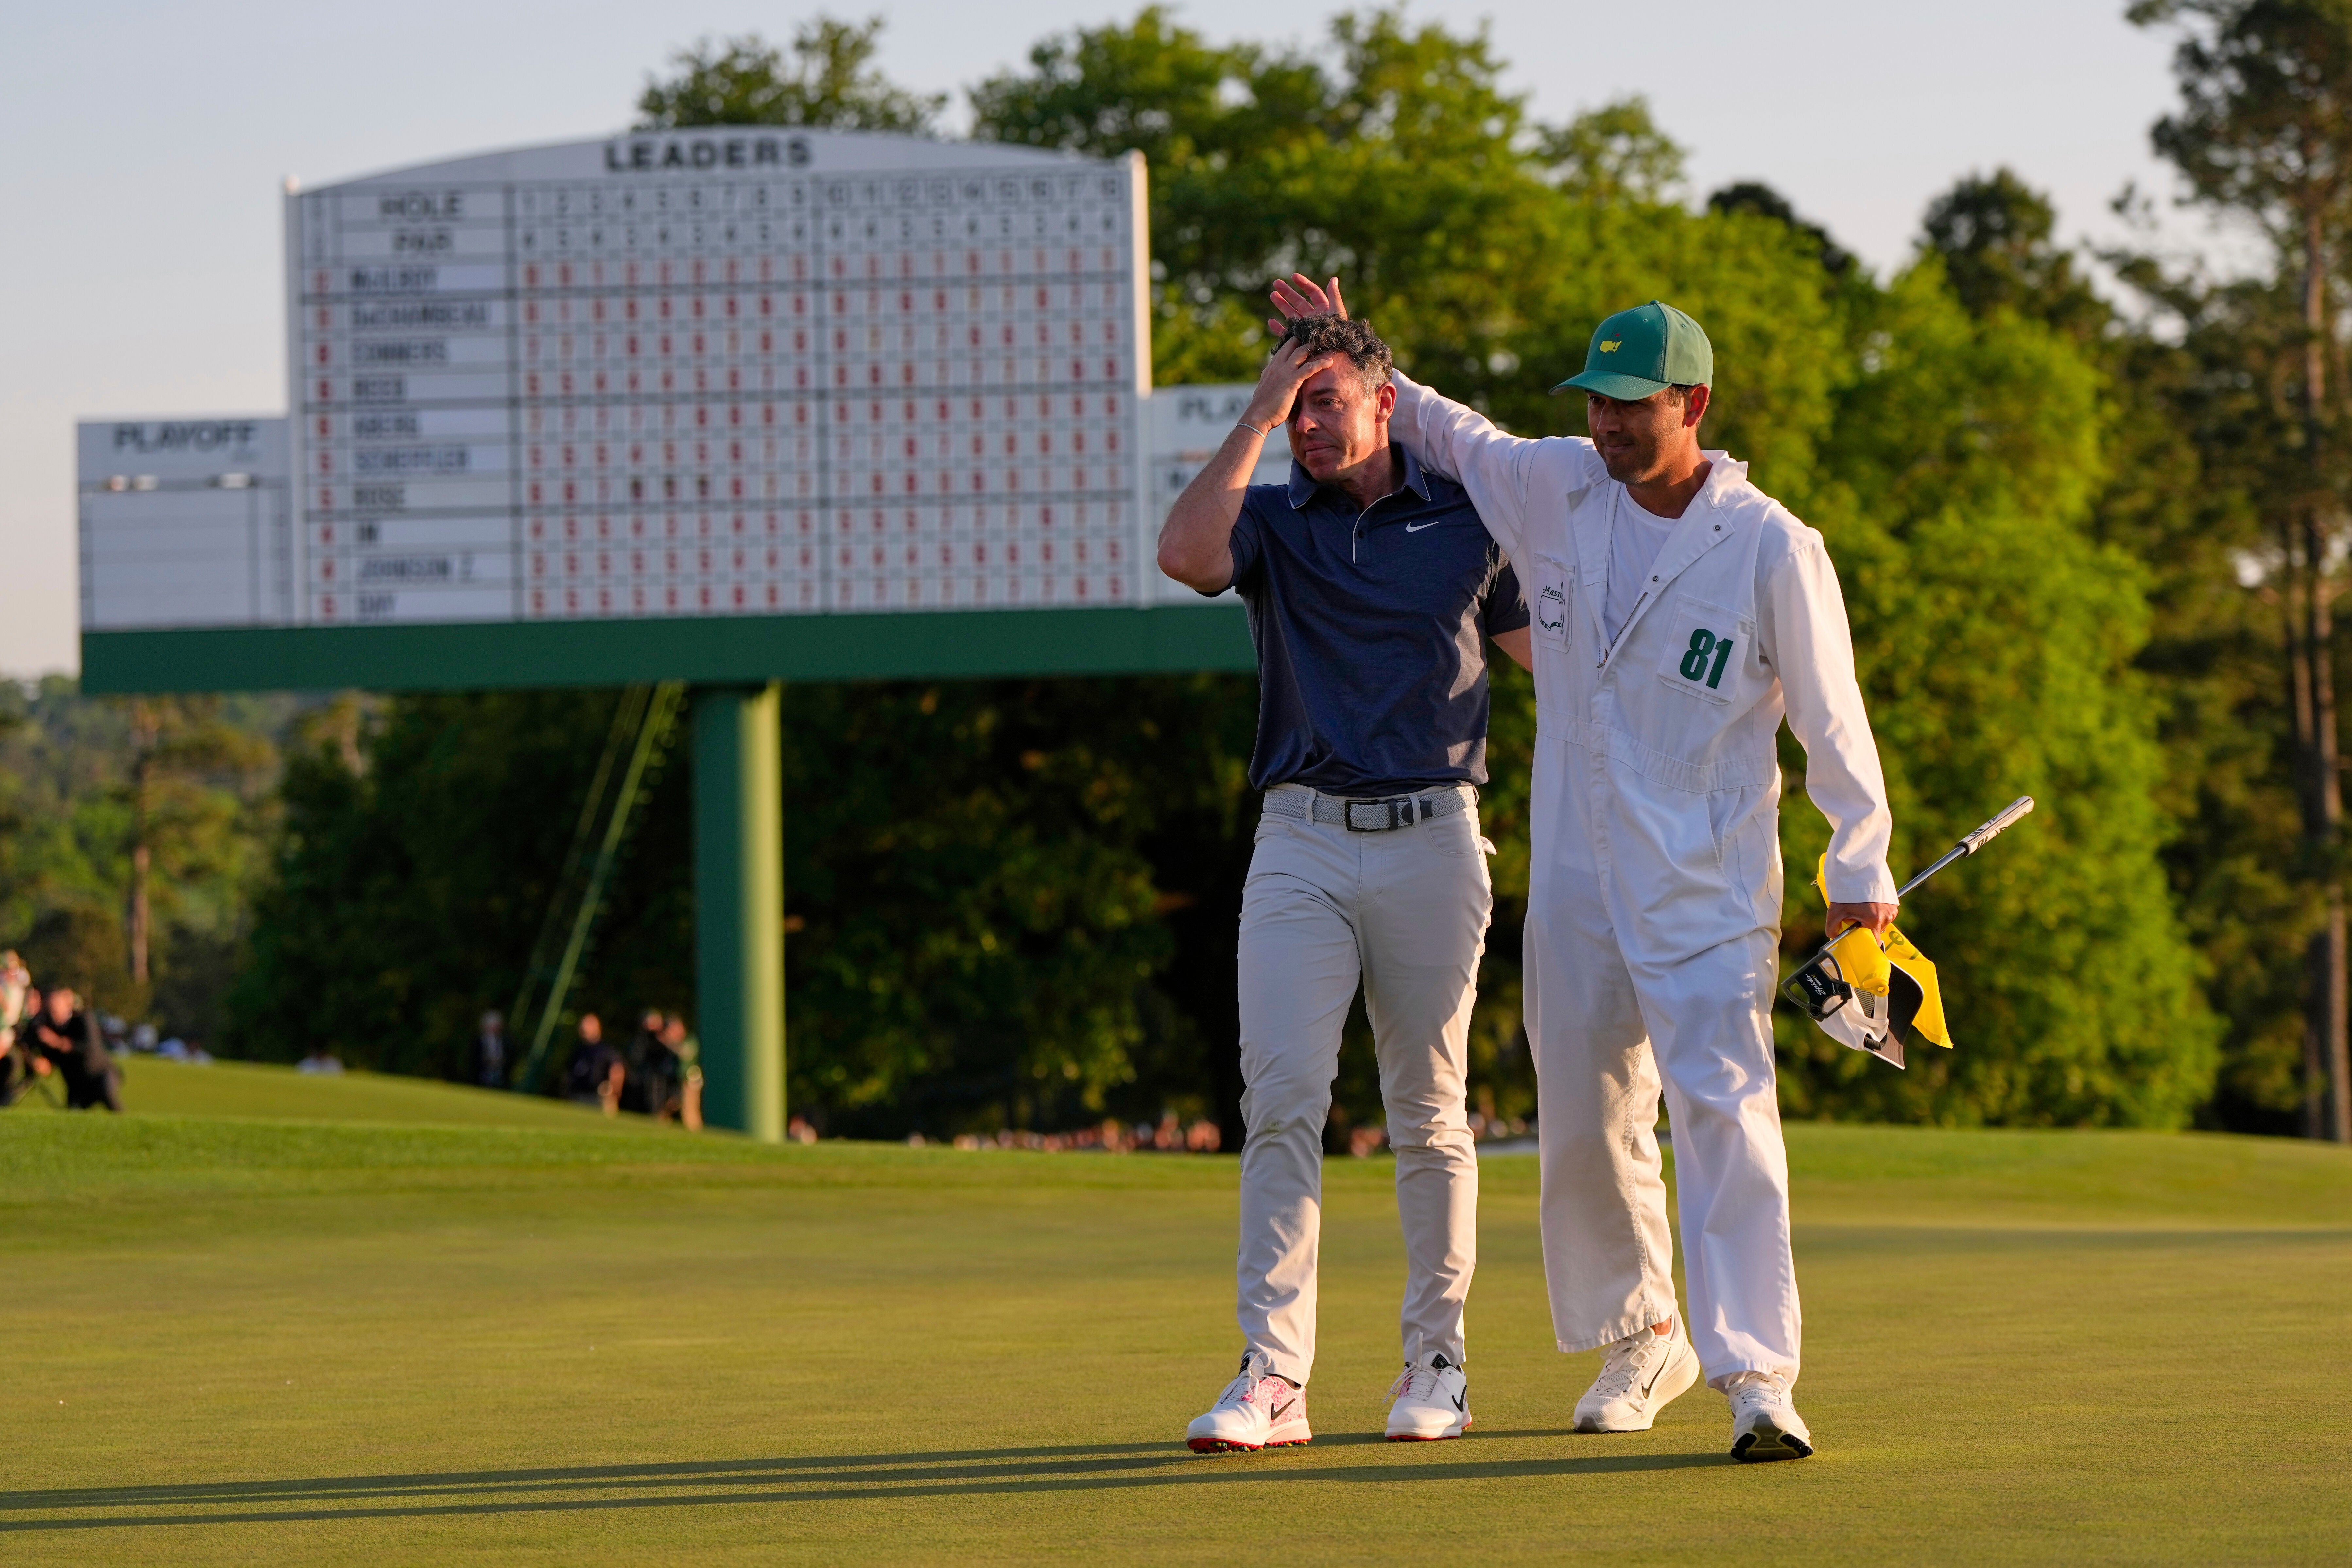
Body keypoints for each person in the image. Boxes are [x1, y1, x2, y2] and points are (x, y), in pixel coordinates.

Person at [1273, 277, 1896, 1463]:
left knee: (1722, 1110)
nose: (1607, 424)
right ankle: (1642, 1329)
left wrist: (1854, 863)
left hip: (1709, 884)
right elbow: (1442, 426)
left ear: (1691, 403)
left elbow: (1834, 720)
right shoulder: (1555, 482)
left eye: (1631, 404)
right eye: (1596, 401)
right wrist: (1346, 351)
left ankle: (1758, 1376)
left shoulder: (1769, 545)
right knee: (1585, 1111)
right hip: (1570, 869)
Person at [1155, 312, 1533, 1451]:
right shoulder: (1267, 519)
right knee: (1278, 1102)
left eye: (1327, 400)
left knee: (1427, 1110)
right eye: (1293, 404)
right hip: (1300, 840)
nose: (1307, 424)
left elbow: (1558, 672)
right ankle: (1274, 1375)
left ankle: (1437, 1363)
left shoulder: (1470, 517)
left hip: (1436, 834)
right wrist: (1257, 412)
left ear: (1385, 403)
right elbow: (1183, 554)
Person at [32, 986, 123, 1113]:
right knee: (73, 1114)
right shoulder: (48, 1028)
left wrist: (56, 1042)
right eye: (50, 1008)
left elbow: (86, 1046)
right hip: (76, 1086)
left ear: (68, 1005)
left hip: (100, 1076)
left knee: (110, 1101)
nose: (53, 1012)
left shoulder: (83, 1019)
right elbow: (49, 1062)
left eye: (56, 1006)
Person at [465, 1010, 508, 1089]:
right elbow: (473, 1058)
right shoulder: (478, 1041)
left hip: (498, 1077)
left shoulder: (506, 1042)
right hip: (479, 1077)